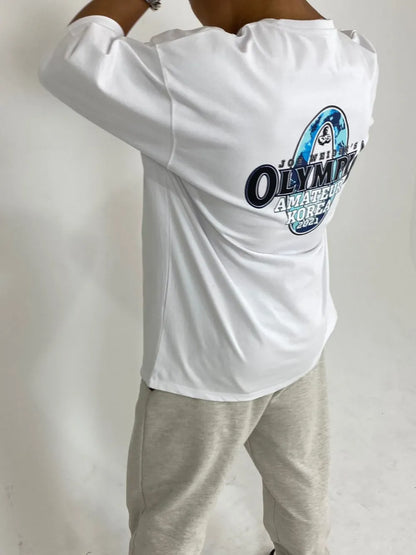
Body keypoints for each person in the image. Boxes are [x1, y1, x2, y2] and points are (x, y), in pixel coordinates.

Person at [38, 0, 379, 553]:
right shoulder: (358, 62)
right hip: (302, 341)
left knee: (170, 521)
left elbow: (71, 58)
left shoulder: (200, 72)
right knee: (303, 497)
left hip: (206, 365)